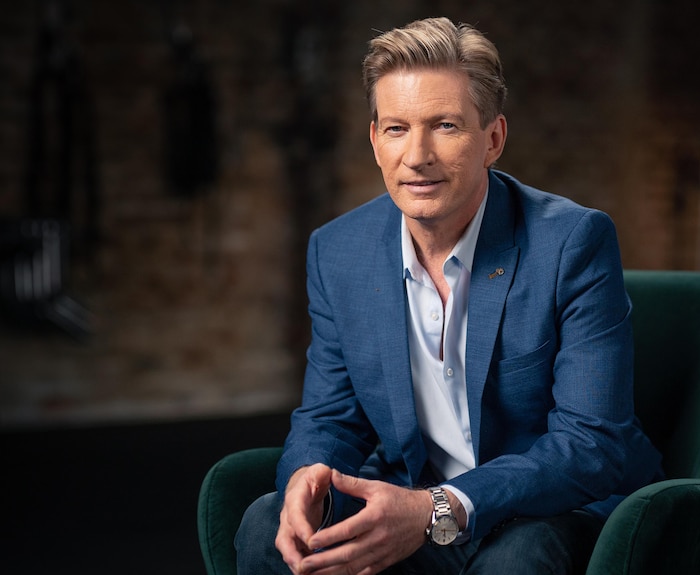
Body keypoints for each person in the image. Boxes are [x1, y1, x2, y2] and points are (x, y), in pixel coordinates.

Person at [236, 16, 663, 575]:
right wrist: (305, 478)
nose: (417, 155)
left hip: (547, 508)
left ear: (493, 139)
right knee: (266, 527)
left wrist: (440, 508)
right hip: (412, 497)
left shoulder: (571, 243)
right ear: (374, 140)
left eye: (444, 126)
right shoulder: (337, 251)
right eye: (396, 128)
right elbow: (331, 416)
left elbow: (592, 443)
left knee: (518, 558)